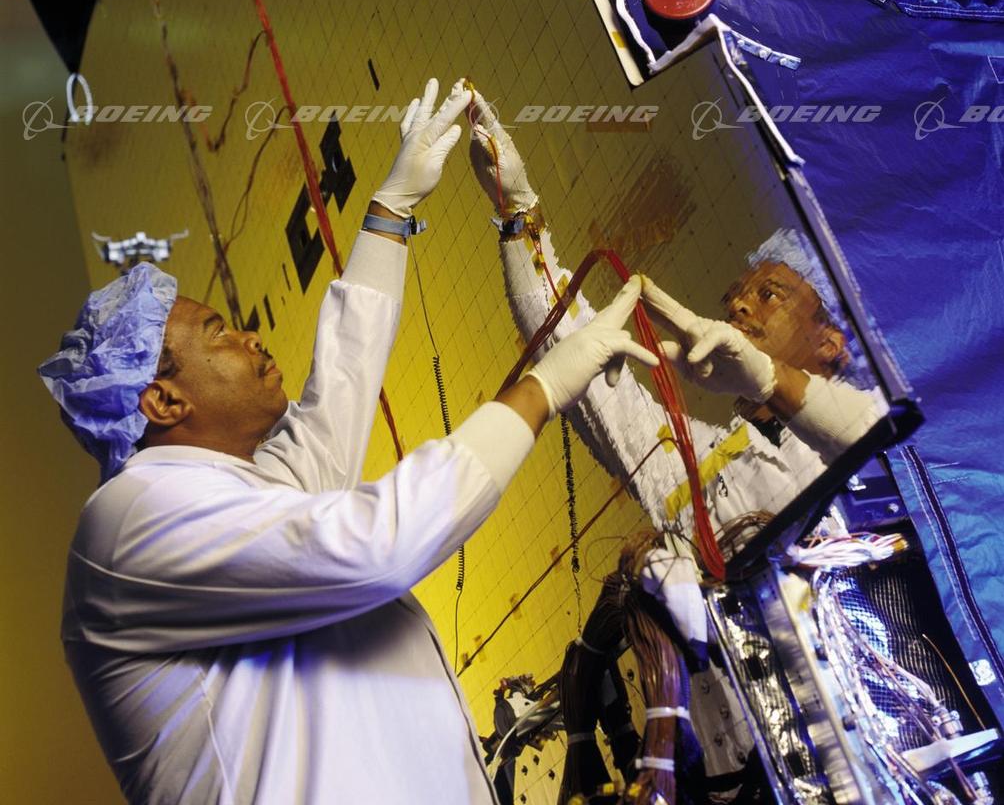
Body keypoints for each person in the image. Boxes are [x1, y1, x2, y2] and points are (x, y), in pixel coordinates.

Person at [38, 78, 659, 805]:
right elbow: (378, 543)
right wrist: (541, 389)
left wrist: (391, 211)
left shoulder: (234, 492)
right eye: (219, 334)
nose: (249, 336)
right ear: (164, 399)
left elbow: (335, 397)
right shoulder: (130, 524)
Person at [467, 93, 885, 776]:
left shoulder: (870, 459)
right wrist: (517, 212)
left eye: (770, 293)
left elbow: (871, 440)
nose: (738, 304)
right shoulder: (699, 465)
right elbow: (569, 347)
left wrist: (768, 377)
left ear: (831, 344)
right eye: (737, 296)